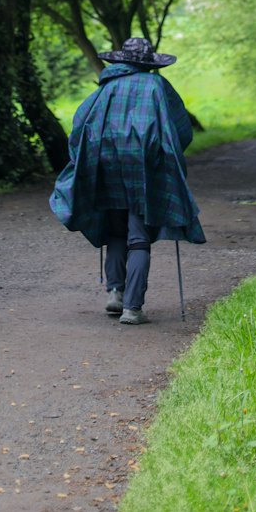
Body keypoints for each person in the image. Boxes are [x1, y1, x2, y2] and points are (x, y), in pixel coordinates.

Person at [50, 35, 205, 325]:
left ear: (122, 60)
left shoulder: (107, 86)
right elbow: (180, 128)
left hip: (105, 163)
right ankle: (133, 308)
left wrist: (84, 158)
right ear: (148, 63)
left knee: (116, 231)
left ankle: (115, 293)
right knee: (138, 236)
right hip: (144, 166)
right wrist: (170, 158)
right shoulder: (157, 85)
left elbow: (80, 125)